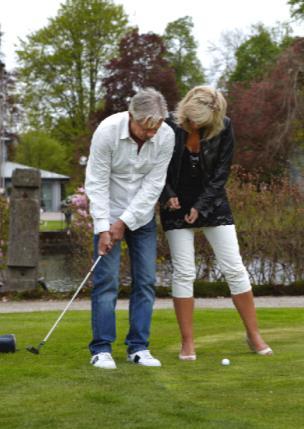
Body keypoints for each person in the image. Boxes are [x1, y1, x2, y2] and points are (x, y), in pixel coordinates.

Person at [159, 86, 273, 360]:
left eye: (197, 120)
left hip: (212, 202)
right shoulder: (168, 127)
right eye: (188, 118)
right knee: (184, 273)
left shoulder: (225, 128)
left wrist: (201, 206)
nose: (192, 124)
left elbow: (221, 174)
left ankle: (253, 334)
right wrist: (168, 195)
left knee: (234, 268)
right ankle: (188, 342)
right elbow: (156, 168)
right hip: (175, 205)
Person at [85, 88, 175, 369]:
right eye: (145, 127)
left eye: (156, 127)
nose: (151, 133)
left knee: (146, 281)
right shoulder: (107, 131)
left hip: (142, 218)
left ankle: (138, 348)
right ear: (131, 115)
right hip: (107, 213)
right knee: (106, 282)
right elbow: (97, 182)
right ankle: (101, 349)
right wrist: (104, 227)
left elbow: (154, 185)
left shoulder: (166, 136)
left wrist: (124, 222)